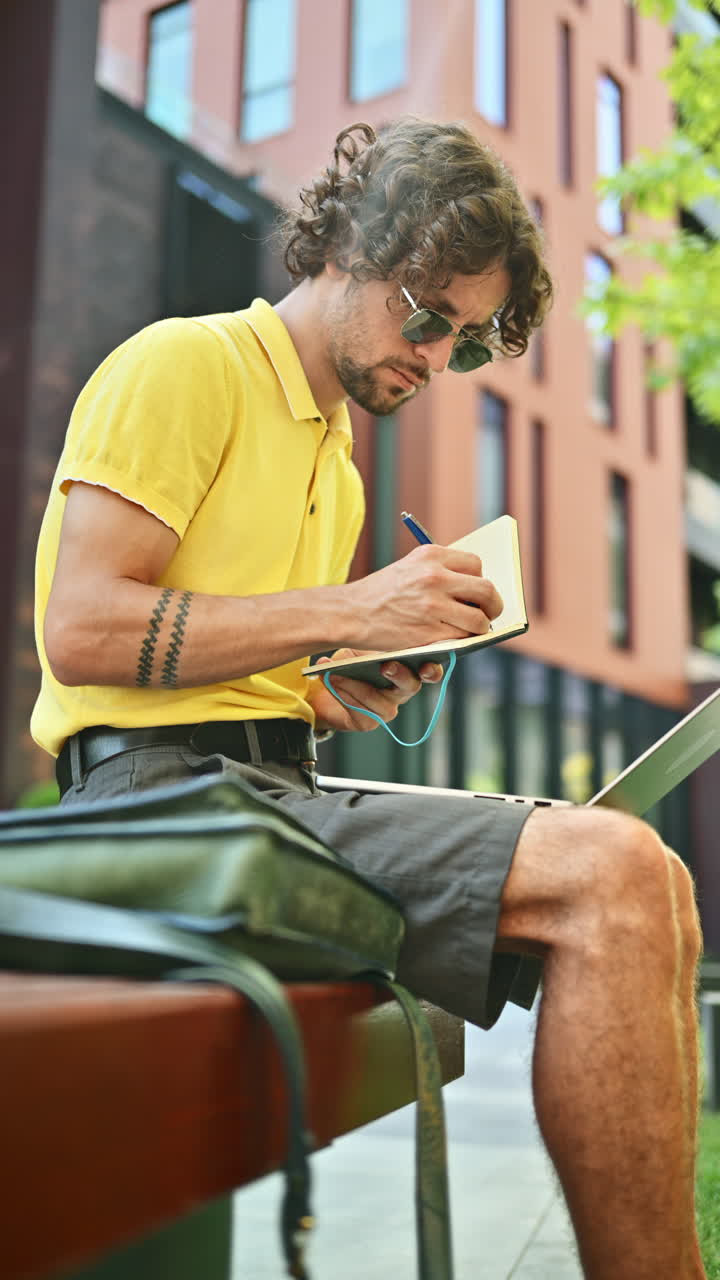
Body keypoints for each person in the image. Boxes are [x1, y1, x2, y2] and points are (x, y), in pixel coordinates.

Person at [32, 118, 704, 1279]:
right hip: (156, 802)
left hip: (260, 784)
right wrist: (347, 610)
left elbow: (239, 651)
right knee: (615, 871)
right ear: (345, 245)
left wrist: (336, 682)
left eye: (469, 339)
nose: (438, 357)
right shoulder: (184, 364)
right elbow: (82, 627)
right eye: (427, 314)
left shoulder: (333, 461)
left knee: (662, 885)